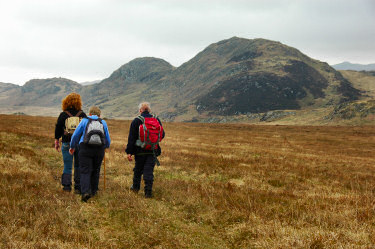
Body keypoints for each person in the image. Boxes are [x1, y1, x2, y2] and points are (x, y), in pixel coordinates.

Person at [69, 106, 111, 202]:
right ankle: (94, 191)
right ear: (99, 115)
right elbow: (107, 138)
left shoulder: (84, 121)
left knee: (85, 171)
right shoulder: (103, 122)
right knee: (95, 170)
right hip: (99, 149)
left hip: (85, 148)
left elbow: (75, 135)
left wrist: (72, 146)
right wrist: (106, 146)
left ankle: (85, 192)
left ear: (90, 114)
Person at [126, 102, 165, 198]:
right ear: (149, 110)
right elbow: (162, 134)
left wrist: (129, 152)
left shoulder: (136, 121)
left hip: (140, 151)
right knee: (149, 171)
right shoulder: (156, 119)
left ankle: (135, 188)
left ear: (140, 110)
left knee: (138, 170)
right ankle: (148, 192)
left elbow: (132, 137)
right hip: (152, 150)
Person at [54, 92, 87, 193]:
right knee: (78, 165)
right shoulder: (82, 114)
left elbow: (58, 128)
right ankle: (78, 187)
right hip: (79, 144)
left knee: (67, 165)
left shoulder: (63, 114)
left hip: (66, 143)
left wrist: (57, 141)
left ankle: (66, 187)